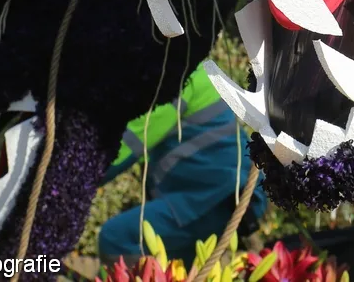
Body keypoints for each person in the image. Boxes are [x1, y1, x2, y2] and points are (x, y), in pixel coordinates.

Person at [98, 66, 264, 264]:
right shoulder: (189, 70)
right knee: (181, 267)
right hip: (217, 196)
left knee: (116, 239)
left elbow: (124, 146)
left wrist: (73, 175)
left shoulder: (174, 78)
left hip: (214, 196)